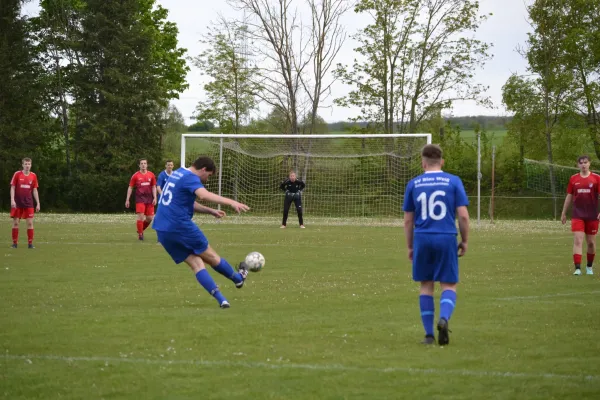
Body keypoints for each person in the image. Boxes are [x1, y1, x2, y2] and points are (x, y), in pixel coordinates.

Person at [152, 156, 250, 308]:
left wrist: (210, 211)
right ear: (203, 169)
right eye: (208, 175)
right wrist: (232, 202)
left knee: (196, 263)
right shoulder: (191, 177)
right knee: (212, 257)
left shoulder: (178, 173)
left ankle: (222, 300)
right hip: (180, 226)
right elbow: (203, 195)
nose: (206, 179)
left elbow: (185, 202)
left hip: (162, 229)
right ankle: (238, 278)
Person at [402, 144, 470, 346]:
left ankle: (429, 335)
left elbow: (407, 220)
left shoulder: (414, 183)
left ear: (423, 163)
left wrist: (410, 246)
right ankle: (445, 317)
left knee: (426, 285)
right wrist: (464, 240)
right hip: (446, 237)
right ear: (442, 162)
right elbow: (464, 216)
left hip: (422, 237)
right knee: (448, 284)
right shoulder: (453, 181)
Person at [560, 155, 600, 276]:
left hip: (592, 215)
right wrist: (563, 212)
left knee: (591, 243)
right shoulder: (573, 179)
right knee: (578, 239)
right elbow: (569, 196)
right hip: (578, 214)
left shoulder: (596, 178)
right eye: (581, 163)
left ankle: (589, 267)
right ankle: (577, 268)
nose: (583, 165)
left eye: (585, 162)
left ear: (589, 164)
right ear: (578, 165)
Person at [10, 158, 40, 249]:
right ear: (22, 165)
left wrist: (38, 203)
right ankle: (14, 243)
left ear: (31, 165)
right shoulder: (17, 174)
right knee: (16, 223)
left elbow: (35, 190)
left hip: (29, 203)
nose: (27, 165)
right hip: (17, 203)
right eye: (26, 164)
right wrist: (12, 200)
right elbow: (12, 187)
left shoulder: (33, 175)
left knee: (30, 223)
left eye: (29, 164)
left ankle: (30, 244)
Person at [125, 158, 157, 241]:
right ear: (139, 165)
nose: (143, 165)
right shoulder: (135, 176)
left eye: (145, 163)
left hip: (149, 199)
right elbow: (130, 187)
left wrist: (155, 197)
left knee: (150, 218)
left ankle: (140, 229)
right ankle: (140, 235)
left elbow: (153, 187)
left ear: (147, 165)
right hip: (140, 199)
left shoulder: (151, 175)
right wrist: (127, 199)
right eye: (142, 163)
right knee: (141, 217)